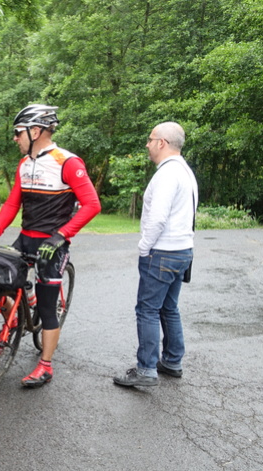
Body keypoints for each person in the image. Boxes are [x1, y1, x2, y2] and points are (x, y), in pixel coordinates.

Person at [0, 104, 101, 387]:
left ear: (35, 132)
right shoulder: (24, 164)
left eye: (18, 132)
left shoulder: (67, 162)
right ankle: (24, 304)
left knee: (48, 309)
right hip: (26, 237)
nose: (15, 138)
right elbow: (13, 203)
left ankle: (45, 366)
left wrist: (62, 235)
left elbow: (92, 204)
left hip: (52, 243)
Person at [113, 121, 197, 387]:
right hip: (183, 250)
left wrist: (144, 247)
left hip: (162, 251)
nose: (147, 145)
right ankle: (172, 361)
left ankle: (146, 369)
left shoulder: (167, 174)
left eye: (150, 140)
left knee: (147, 310)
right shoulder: (184, 171)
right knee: (168, 308)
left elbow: (158, 218)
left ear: (162, 142)